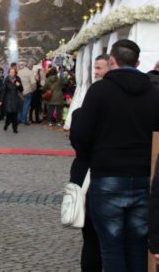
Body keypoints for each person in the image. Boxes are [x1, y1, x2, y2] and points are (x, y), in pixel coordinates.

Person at [72, 39, 159, 271]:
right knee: (137, 245)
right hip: (144, 178)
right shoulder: (154, 92)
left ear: (112, 61)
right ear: (138, 62)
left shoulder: (99, 90)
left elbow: (81, 134)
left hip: (107, 176)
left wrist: (91, 155)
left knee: (111, 246)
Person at [69, 108, 102, 272]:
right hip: (93, 175)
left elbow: (76, 143)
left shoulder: (79, 114)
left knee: (90, 239)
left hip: (81, 175)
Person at [0, 67, 23, 133]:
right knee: (9, 114)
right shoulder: (6, 80)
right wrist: (1, 100)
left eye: (13, 72)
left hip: (15, 99)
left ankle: (15, 128)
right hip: (8, 99)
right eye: (11, 72)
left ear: (15, 73)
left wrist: (19, 85)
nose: (12, 73)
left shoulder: (18, 79)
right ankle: (7, 124)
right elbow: (3, 91)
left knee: (14, 114)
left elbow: (21, 89)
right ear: (9, 72)